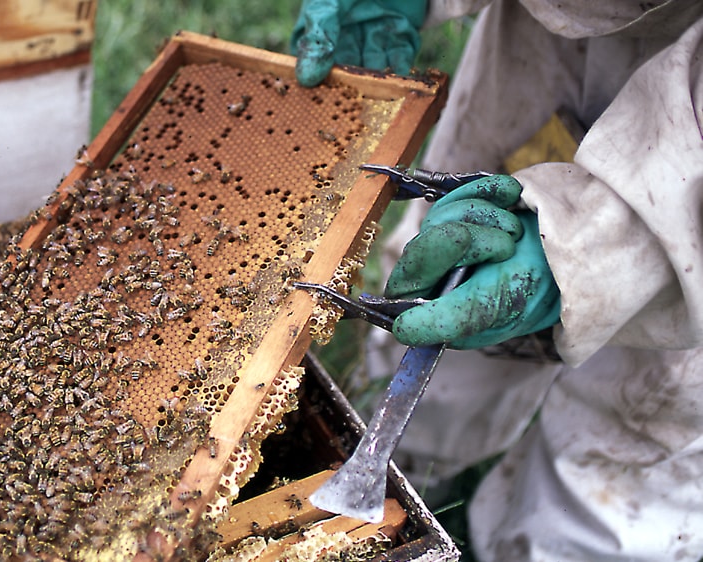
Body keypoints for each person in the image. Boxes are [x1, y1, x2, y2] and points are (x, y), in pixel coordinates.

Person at [292, 1, 703, 561]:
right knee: (443, 298)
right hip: (545, 49)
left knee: (625, 450)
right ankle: (397, 479)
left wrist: (610, 237)